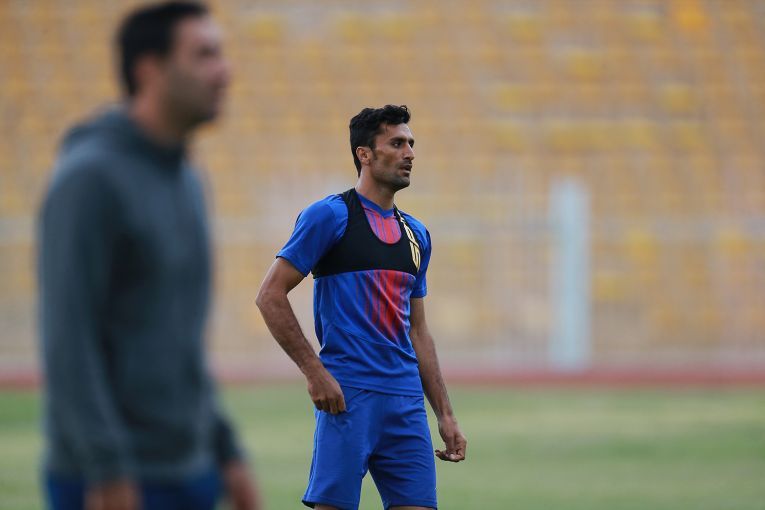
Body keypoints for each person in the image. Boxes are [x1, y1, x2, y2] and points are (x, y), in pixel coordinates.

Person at [38, 2, 259, 509]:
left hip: (192, 469)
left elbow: (179, 341)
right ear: (149, 70)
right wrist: (108, 471)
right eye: (204, 55)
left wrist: (226, 452)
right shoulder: (89, 178)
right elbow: (68, 341)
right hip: (112, 480)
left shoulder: (186, 178)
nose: (224, 71)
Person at [256, 104, 467, 510]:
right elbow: (270, 295)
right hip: (348, 396)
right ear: (364, 154)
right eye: (397, 143)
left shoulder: (417, 235)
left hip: (406, 402)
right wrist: (315, 373)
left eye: (411, 144)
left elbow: (418, 331)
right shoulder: (329, 216)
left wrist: (445, 414)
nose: (410, 153)